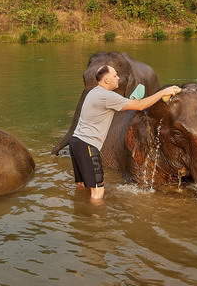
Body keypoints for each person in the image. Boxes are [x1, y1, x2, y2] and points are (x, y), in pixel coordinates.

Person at [69, 65, 181, 201]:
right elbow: (140, 106)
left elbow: (120, 107)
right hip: (88, 145)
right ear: (106, 81)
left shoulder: (94, 92)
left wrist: (132, 100)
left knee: (83, 185)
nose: (118, 78)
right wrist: (163, 92)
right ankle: (96, 220)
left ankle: (80, 212)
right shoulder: (106, 96)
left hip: (76, 143)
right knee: (98, 191)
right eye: (115, 75)